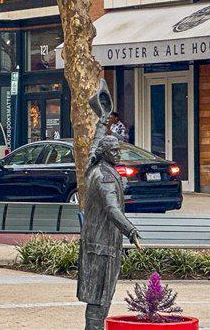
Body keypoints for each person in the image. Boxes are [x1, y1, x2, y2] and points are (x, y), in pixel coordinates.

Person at [78, 134, 141, 330]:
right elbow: (111, 208)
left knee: (98, 297)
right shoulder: (104, 177)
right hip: (102, 245)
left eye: (118, 149)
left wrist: (102, 120)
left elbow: (94, 140)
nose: (118, 153)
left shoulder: (98, 169)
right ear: (104, 153)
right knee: (100, 297)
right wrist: (130, 230)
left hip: (98, 243)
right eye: (114, 150)